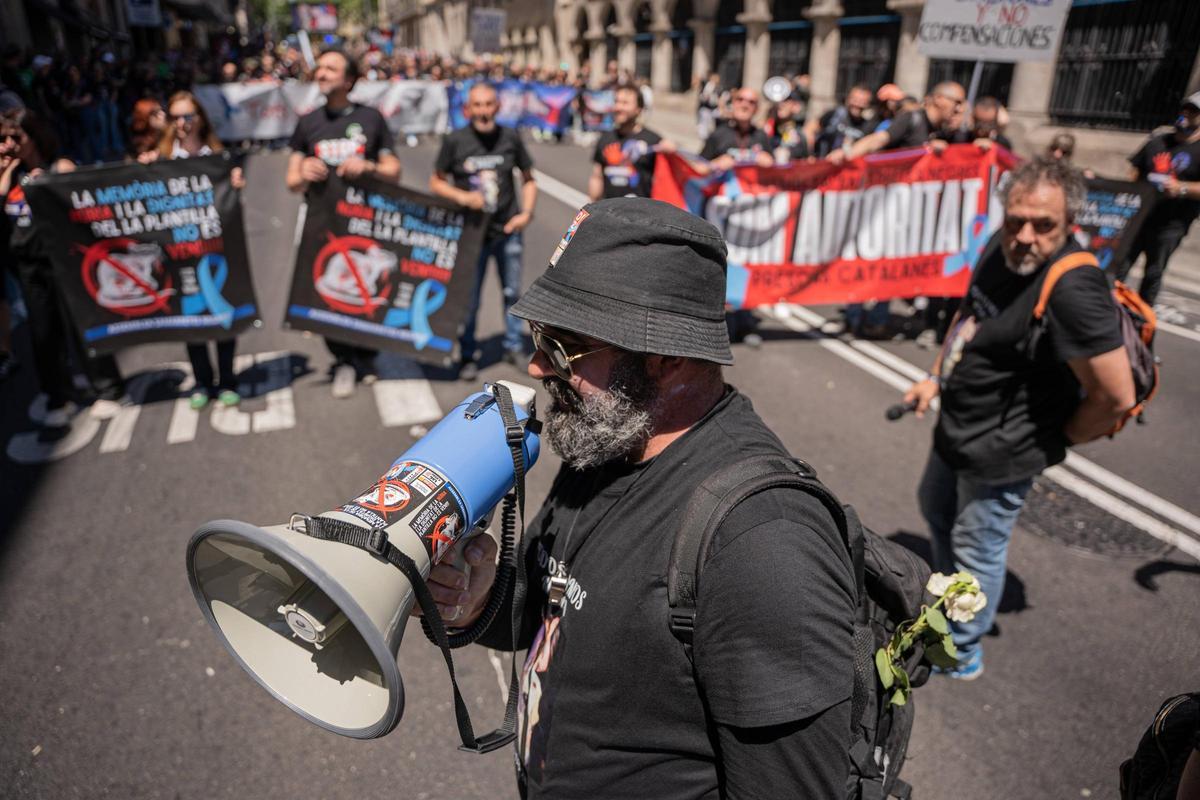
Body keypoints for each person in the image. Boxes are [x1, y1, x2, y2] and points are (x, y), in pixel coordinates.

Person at [424, 197, 856, 797]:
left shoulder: (763, 542)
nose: (536, 365)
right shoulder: (610, 438)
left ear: (669, 355)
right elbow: (559, 606)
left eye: (563, 347)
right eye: (538, 338)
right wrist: (478, 604)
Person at [902, 158, 1135, 679]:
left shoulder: (1075, 289)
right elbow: (970, 317)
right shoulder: (999, 245)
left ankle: (960, 651)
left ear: (1069, 223)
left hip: (1004, 449)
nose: (1025, 236)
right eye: (1015, 220)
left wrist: (1053, 439)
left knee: (975, 547)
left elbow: (1115, 397)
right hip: (959, 425)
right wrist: (935, 378)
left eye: (1043, 225)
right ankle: (950, 603)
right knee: (935, 509)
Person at [286, 47, 402, 398]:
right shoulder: (308, 122)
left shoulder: (371, 118)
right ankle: (344, 360)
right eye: (319, 68)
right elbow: (291, 180)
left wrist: (369, 167)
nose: (320, 73)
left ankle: (366, 355)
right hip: (322, 224)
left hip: (365, 225)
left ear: (349, 80)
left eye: (329, 69)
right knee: (326, 293)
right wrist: (303, 172)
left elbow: (394, 171)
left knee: (369, 289)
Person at [1, 109, 125, 426]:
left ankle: (106, 387)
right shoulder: (10, 176)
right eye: (4, 139)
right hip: (30, 268)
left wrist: (52, 183)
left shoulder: (60, 167)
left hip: (66, 262)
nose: (10, 145)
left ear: (35, 135)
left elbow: (85, 207)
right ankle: (58, 393)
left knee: (81, 324)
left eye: (17, 137)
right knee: (43, 332)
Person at [139, 91, 246, 409]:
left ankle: (227, 379)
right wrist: (143, 169)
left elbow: (230, 205)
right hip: (179, 251)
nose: (182, 123)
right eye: (176, 117)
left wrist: (236, 185)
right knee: (191, 316)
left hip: (216, 250)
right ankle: (202, 381)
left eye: (188, 116)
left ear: (201, 118)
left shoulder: (218, 155)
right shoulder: (161, 156)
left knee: (223, 311)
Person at [429, 82, 536, 381]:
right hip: (471, 234)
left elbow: (529, 179)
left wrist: (526, 214)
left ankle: (513, 345)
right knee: (470, 298)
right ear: (467, 109)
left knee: (511, 292)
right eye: (477, 105)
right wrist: (463, 198)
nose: (484, 111)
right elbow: (436, 182)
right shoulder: (455, 141)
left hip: (507, 231)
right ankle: (467, 353)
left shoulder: (510, 138)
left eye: (489, 104)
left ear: (497, 107)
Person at [698, 87, 774, 348]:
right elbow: (697, 170)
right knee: (722, 268)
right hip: (721, 219)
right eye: (740, 99)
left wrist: (770, 163)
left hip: (751, 220)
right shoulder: (718, 135)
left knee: (748, 267)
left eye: (751, 102)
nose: (745, 104)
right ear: (733, 103)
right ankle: (722, 324)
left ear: (756, 108)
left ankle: (746, 322)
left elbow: (776, 179)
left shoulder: (762, 137)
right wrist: (714, 164)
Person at [1113, 91, 1200, 307]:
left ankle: (1142, 319)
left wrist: (1181, 188)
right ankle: (1106, 309)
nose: (1187, 114)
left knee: (1153, 272)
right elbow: (1135, 171)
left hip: (1170, 225)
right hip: (1140, 217)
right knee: (1119, 266)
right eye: (1186, 108)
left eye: (1195, 112)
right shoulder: (1158, 140)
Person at [587, 82, 673, 201]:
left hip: (642, 215)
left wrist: (673, 151)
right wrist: (591, 207)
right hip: (610, 214)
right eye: (616, 102)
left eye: (625, 103)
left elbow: (670, 179)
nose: (618, 107)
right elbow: (597, 176)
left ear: (639, 109)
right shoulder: (605, 138)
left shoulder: (653, 140)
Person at [811, 83, 873, 158]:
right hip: (824, 163)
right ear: (848, 99)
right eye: (855, 100)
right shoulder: (835, 115)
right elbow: (811, 128)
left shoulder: (868, 127)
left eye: (862, 101)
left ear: (868, 104)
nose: (857, 104)